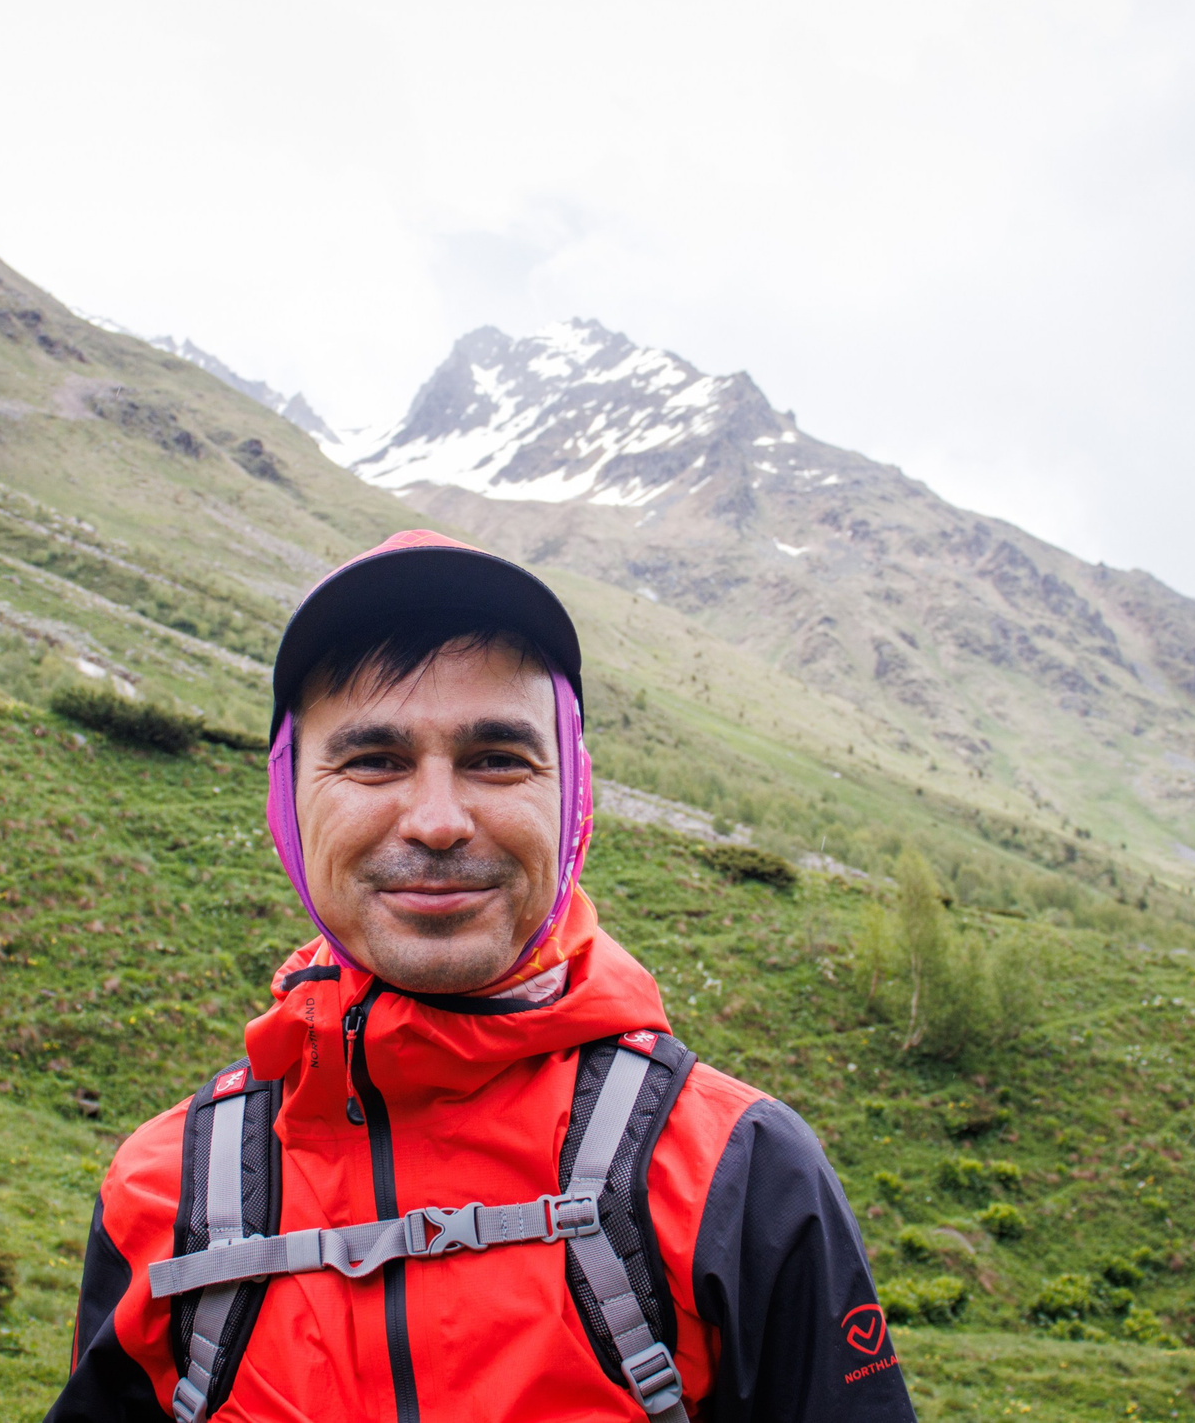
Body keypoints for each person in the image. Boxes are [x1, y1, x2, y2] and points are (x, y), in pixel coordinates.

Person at [47, 531, 914, 1423]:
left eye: (497, 757)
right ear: (288, 795)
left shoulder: (741, 1173)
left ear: (571, 792)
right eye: (373, 759)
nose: (436, 820)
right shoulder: (157, 1193)